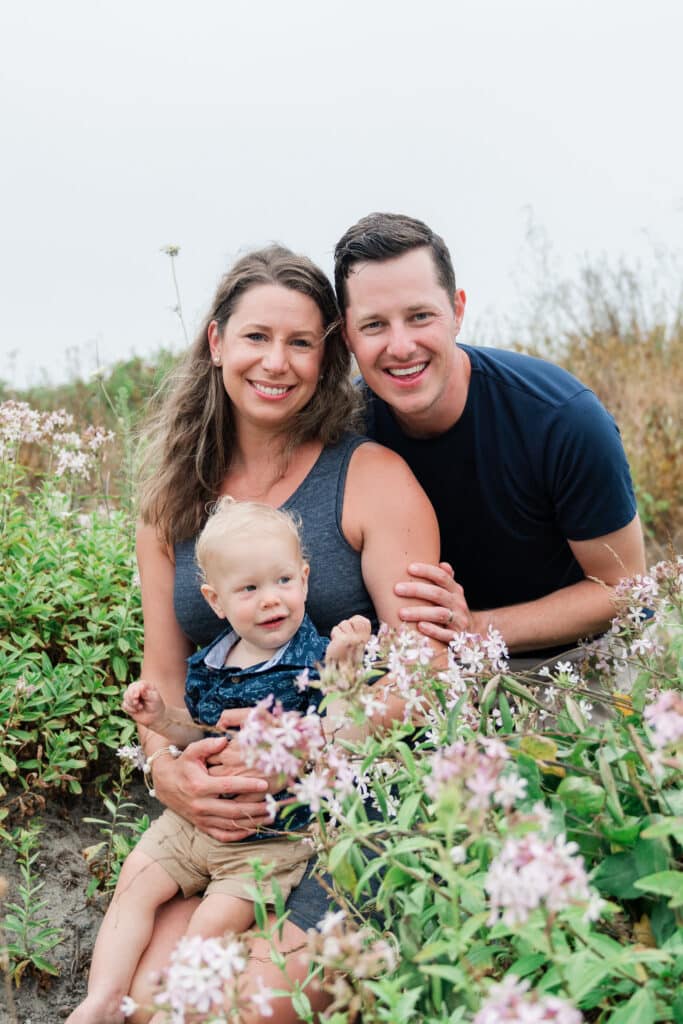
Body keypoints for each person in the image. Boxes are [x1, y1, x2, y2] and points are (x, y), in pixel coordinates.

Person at [123, 245, 441, 1023]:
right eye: (257, 337)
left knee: (259, 1007)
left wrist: (315, 741)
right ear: (215, 343)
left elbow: (427, 670)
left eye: (301, 343)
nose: (277, 362)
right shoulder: (171, 501)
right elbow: (161, 674)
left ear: (325, 357)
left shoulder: (369, 477)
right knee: (152, 1000)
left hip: (357, 806)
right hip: (223, 824)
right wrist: (166, 770)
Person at [67, 498, 371, 1024]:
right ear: (216, 600)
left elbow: (343, 733)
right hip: (191, 821)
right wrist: (162, 720)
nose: (270, 600)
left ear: (304, 577)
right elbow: (199, 732)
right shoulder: (214, 660)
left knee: (207, 927)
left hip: (268, 840)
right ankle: (102, 1001)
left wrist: (346, 669)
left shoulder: (315, 658)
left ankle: (175, 1011)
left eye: (282, 580)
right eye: (249, 589)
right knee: (135, 884)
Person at [334, 212, 646, 665]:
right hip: (428, 672)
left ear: (458, 311)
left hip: (579, 660)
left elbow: (624, 587)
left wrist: (477, 629)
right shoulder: (343, 432)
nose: (400, 347)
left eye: (420, 316)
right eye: (374, 325)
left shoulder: (563, 420)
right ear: (347, 336)